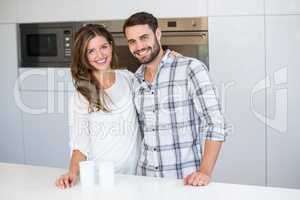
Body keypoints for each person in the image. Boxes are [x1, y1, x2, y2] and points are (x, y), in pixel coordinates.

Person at [123, 12, 227, 186]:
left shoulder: (190, 68)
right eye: (132, 41)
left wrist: (204, 171)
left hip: (184, 182)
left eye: (144, 37)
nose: (138, 46)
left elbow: (215, 123)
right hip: (144, 181)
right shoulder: (135, 80)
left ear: (158, 34)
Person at [55, 24, 140, 189]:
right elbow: (80, 143)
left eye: (103, 47)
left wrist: (171, 58)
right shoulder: (81, 96)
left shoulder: (128, 78)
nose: (99, 55)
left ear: (111, 45)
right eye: (91, 51)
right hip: (102, 179)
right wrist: (71, 172)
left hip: (135, 177)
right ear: (83, 56)